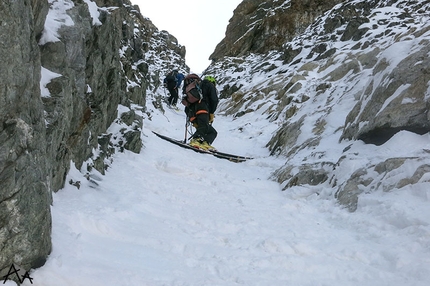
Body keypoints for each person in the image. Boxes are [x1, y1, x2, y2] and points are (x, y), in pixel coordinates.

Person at [182, 74, 219, 150]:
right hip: (202, 108)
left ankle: (205, 143)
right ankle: (196, 140)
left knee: (212, 132)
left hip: (191, 111)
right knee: (204, 126)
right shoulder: (209, 85)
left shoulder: (195, 88)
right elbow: (214, 100)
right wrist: (211, 113)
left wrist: (191, 118)